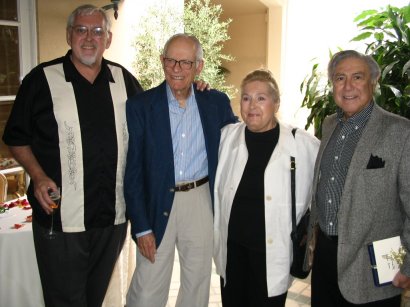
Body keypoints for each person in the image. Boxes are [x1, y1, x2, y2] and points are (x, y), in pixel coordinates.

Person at [2, 5, 144, 307]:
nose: (89, 38)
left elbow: (155, 117)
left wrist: (192, 90)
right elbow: (16, 138)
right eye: (81, 30)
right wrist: (37, 176)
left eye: (97, 31)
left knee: (93, 298)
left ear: (108, 38)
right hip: (61, 217)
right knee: (64, 301)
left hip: (113, 216)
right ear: (69, 35)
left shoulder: (124, 80)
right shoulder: (41, 80)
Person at [124, 33, 237, 307]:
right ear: (162, 61)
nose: (177, 69)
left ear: (198, 67)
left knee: (197, 284)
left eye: (186, 63)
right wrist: (140, 227)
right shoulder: (141, 106)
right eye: (171, 60)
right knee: (148, 286)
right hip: (157, 201)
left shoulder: (215, 102)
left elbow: (238, 146)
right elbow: (133, 171)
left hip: (200, 199)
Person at [305, 50, 410, 306]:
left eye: (357, 77)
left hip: (373, 269)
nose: (348, 86)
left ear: (373, 82)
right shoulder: (329, 124)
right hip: (325, 259)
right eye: (340, 78)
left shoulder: (400, 132)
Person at [213, 69, 320, 306]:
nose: (252, 106)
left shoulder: (302, 144)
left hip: (272, 254)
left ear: (276, 103)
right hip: (233, 251)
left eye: (261, 98)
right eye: (246, 98)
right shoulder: (227, 137)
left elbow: (329, 183)